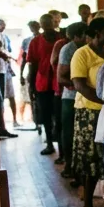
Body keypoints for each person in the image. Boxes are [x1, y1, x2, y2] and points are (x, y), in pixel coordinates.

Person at [70, 18, 104, 207]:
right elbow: (79, 84)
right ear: (96, 34)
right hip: (89, 112)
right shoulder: (82, 54)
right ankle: (87, 204)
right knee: (91, 159)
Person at [27, 13, 63, 154]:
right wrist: (31, 85)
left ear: (54, 23)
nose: (47, 25)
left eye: (49, 22)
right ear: (40, 25)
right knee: (46, 115)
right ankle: (49, 143)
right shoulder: (35, 41)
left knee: (59, 116)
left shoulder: (62, 38)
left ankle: (62, 148)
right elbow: (32, 64)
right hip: (42, 83)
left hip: (59, 82)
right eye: (44, 23)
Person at [55, 22, 88, 177]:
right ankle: (69, 166)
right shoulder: (68, 49)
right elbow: (61, 77)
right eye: (85, 34)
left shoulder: (84, 48)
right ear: (77, 36)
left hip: (84, 98)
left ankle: (79, 169)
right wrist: (79, 85)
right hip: (70, 98)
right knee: (69, 134)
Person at [20, 20, 41, 132]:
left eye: (35, 26)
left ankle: (43, 121)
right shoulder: (26, 41)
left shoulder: (43, 38)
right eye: (31, 26)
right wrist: (21, 75)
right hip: (31, 71)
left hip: (41, 71)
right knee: (32, 97)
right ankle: (36, 122)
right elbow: (24, 59)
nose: (33, 28)